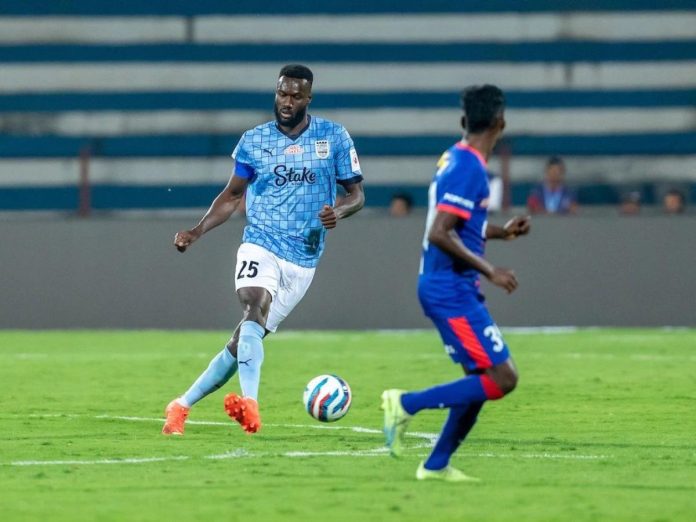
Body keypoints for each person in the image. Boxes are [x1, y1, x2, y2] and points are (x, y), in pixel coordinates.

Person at [162, 64, 365, 436]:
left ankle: (180, 405)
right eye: (282, 93)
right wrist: (197, 230)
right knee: (253, 306)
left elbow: (357, 195)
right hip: (261, 242)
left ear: (308, 98)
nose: (287, 102)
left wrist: (337, 212)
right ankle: (250, 405)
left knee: (242, 341)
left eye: (295, 96)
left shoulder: (333, 137)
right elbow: (233, 194)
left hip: (304, 258)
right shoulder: (254, 142)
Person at [381, 85, 530, 482]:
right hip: (449, 289)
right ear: (501, 123)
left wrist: (503, 233)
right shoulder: (469, 169)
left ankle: (436, 465)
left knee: (479, 379)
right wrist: (491, 270)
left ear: (465, 121)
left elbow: (463, 225)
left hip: (448, 285)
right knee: (503, 377)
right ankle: (406, 403)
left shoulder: (454, 156)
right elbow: (440, 232)